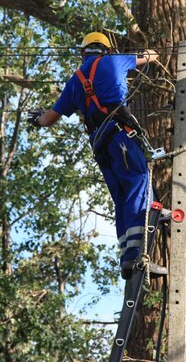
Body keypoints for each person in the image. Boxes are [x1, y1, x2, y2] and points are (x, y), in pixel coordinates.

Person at [27, 31, 166, 280]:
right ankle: (136, 255)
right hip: (122, 136)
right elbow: (151, 56)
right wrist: (156, 51)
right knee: (137, 183)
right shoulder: (114, 60)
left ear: (83, 52)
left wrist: (37, 119)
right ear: (106, 49)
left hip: (101, 146)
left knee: (122, 197)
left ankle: (127, 255)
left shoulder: (74, 82)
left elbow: (48, 120)